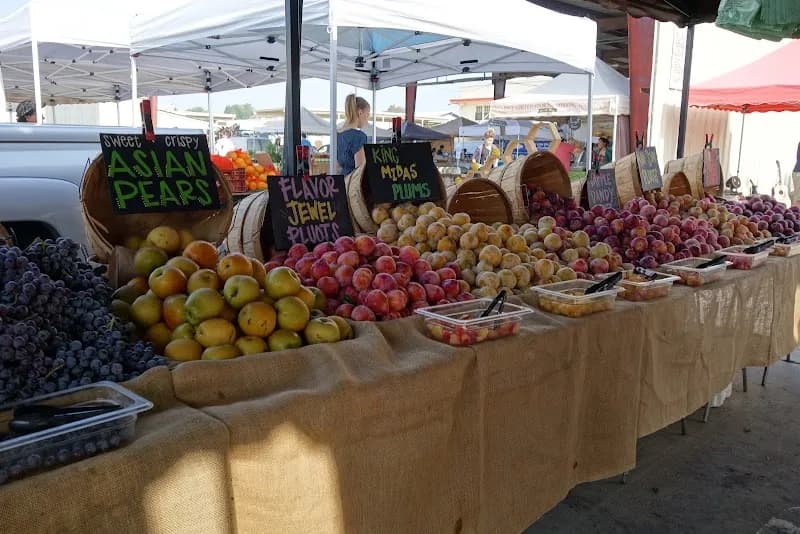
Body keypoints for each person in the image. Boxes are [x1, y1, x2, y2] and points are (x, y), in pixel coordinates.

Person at [337, 94, 370, 175]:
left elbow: (337, 167)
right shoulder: (359, 137)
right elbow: (360, 171)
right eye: (367, 114)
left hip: (341, 183)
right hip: (353, 185)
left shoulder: (338, 135)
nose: (368, 118)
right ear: (360, 112)